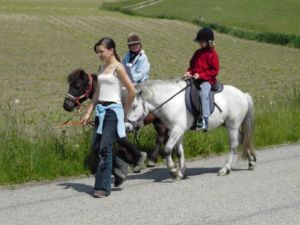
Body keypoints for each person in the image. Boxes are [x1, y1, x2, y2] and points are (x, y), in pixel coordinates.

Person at [81, 37, 136, 198]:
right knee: (97, 147)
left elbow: (132, 91)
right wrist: (88, 112)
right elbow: (97, 92)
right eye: (97, 52)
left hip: (113, 111)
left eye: (101, 51)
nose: (99, 54)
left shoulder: (118, 68)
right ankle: (121, 166)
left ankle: (103, 187)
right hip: (101, 111)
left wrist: (124, 112)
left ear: (111, 50)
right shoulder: (102, 67)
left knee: (105, 148)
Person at [184, 27, 220, 131]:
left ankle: (205, 121)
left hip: (207, 80)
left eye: (202, 41)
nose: (200, 43)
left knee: (203, 95)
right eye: (199, 41)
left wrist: (201, 76)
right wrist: (188, 72)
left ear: (209, 42)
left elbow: (215, 71)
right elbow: (192, 67)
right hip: (194, 79)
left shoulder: (212, 54)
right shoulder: (197, 53)